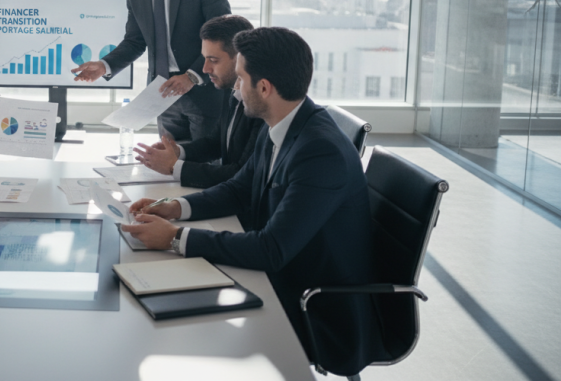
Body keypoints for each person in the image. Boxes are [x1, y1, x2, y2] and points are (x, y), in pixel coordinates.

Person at [122, 27, 380, 376]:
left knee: (178, 334)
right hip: (282, 275)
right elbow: (238, 189)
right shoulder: (282, 124)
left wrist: (173, 237)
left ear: (264, 87)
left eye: (241, 78)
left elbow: (271, 249)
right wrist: (175, 206)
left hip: (311, 303)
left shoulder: (320, 151)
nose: (235, 88)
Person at [72, 0, 231, 142]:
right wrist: (105, 65)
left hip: (204, 92)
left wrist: (193, 76)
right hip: (161, 95)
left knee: (204, 170)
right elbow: (135, 41)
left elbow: (225, 34)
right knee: (167, 169)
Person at [133, 15, 263, 188]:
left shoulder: (261, 105)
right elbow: (215, 143)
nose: (205, 69)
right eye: (205, 59)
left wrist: (175, 167)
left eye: (213, 60)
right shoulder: (231, 90)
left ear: (240, 57)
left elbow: (241, 174)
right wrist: (178, 152)